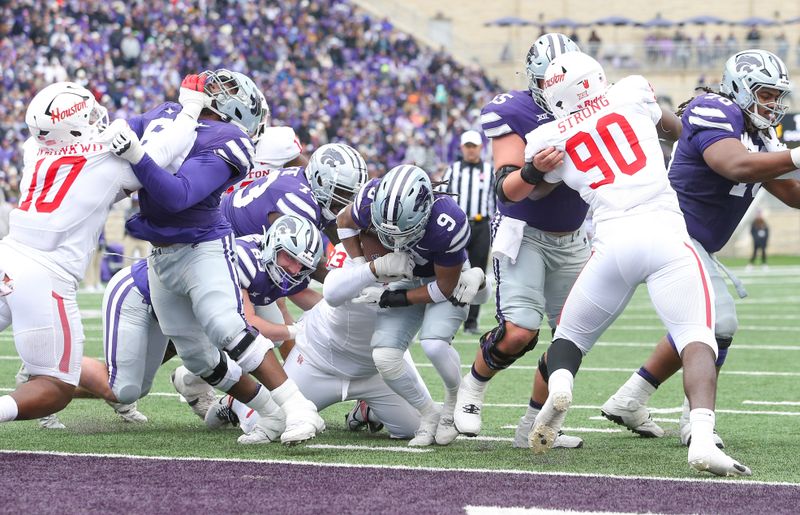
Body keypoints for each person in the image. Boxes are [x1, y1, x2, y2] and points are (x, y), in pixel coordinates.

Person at [523, 51, 751, 476]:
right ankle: (701, 436)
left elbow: (533, 189)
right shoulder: (631, 91)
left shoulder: (545, 138)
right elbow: (676, 128)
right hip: (665, 233)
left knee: (570, 337)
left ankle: (559, 391)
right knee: (696, 337)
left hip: (612, 240)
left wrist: (540, 170)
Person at [110, 69, 325, 446]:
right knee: (197, 357)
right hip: (161, 256)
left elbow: (177, 195)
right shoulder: (167, 116)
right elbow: (116, 142)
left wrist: (137, 154)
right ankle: (270, 414)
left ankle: (298, 407)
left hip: (203, 247)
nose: (213, 91)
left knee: (228, 327)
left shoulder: (231, 139)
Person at [601, 49, 800, 447]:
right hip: (669, 233)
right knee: (718, 323)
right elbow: (734, 166)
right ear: (741, 90)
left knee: (694, 325)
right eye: (765, 95)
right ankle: (695, 420)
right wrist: (795, 154)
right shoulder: (713, 108)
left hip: (694, 244)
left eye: (777, 97)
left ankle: (630, 398)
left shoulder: (758, 135)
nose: (773, 105)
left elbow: (792, 194)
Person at [0, 79, 203, 426]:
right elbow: (165, 150)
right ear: (74, 126)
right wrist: (192, 107)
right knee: (55, 386)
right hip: (45, 274)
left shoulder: (34, 150)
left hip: (8, 254)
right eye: (88, 113)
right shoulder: (103, 160)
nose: (98, 117)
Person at [453, 33, 588, 450]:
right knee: (519, 332)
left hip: (577, 238)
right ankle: (472, 388)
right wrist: (533, 172)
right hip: (524, 234)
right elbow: (505, 188)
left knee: (571, 338)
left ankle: (533, 423)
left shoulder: (595, 105)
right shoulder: (514, 110)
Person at [78, 216, 322, 438]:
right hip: (138, 295)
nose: (293, 269)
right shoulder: (244, 261)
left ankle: (272, 413)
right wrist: (297, 331)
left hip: (178, 309)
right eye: (289, 258)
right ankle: (50, 366)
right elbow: (248, 325)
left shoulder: (280, 268)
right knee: (124, 388)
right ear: (273, 245)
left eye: (301, 265)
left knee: (189, 368)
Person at [207, 238, 439, 442]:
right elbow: (333, 292)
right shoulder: (349, 250)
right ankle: (235, 403)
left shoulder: (426, 252)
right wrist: (373, 269)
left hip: (378, 369)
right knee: (265, 423)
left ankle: (367, 410)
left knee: (421, 429)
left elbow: (450, 289)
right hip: (318, 362)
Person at [337, 165, 486, 446]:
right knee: (385, 357)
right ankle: (429, 414)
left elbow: (443, 288)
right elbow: (344, 221)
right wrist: (361, 266)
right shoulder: (369, 199)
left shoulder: (446, 221)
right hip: (405, 275)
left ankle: (453, 400)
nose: (395, 240)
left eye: (404, 230)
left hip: (444, 277)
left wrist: (395, 298)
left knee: (434, 343)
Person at [439, 130, 495, 334]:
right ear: (462, 148)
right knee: (453, 269)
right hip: (457, 226)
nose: (471, 150)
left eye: (474, 146)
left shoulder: (490, 171)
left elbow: (496, 202)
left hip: (481, 226)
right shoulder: (452, 170)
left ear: (481, 147)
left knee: (478, 272)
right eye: (467, 146)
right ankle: (450, 318)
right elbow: (442, 198)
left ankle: (472, 322)